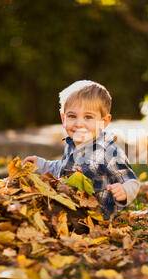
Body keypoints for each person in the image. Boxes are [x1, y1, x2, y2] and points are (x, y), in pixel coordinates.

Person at [23, 80, 140, 219]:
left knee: (48, 211)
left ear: (104, 121)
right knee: (32, 199)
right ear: (63, 118)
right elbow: (64, 169)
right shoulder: (72, 143)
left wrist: (125, 190)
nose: (79, 123)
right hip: (71, 203)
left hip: (95, 214)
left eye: (88, 117)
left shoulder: (108, 151)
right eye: (72, 116)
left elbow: (132, 181)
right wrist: (42, 165)